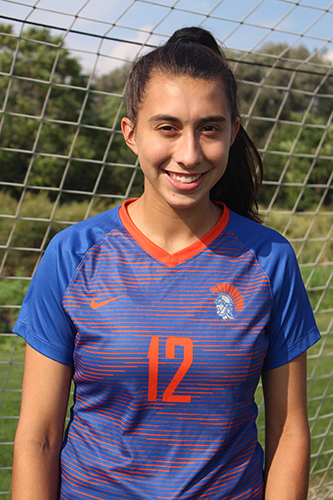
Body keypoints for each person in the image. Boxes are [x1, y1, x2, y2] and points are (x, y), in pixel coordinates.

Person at [12, 27, 320, 500]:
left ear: (234, 132)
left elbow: (290, 433)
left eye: (210, 128)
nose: (189, 153)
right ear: (131, 133)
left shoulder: (269, 259)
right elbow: (40, 437)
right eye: (168, 127)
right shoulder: (72, 255)